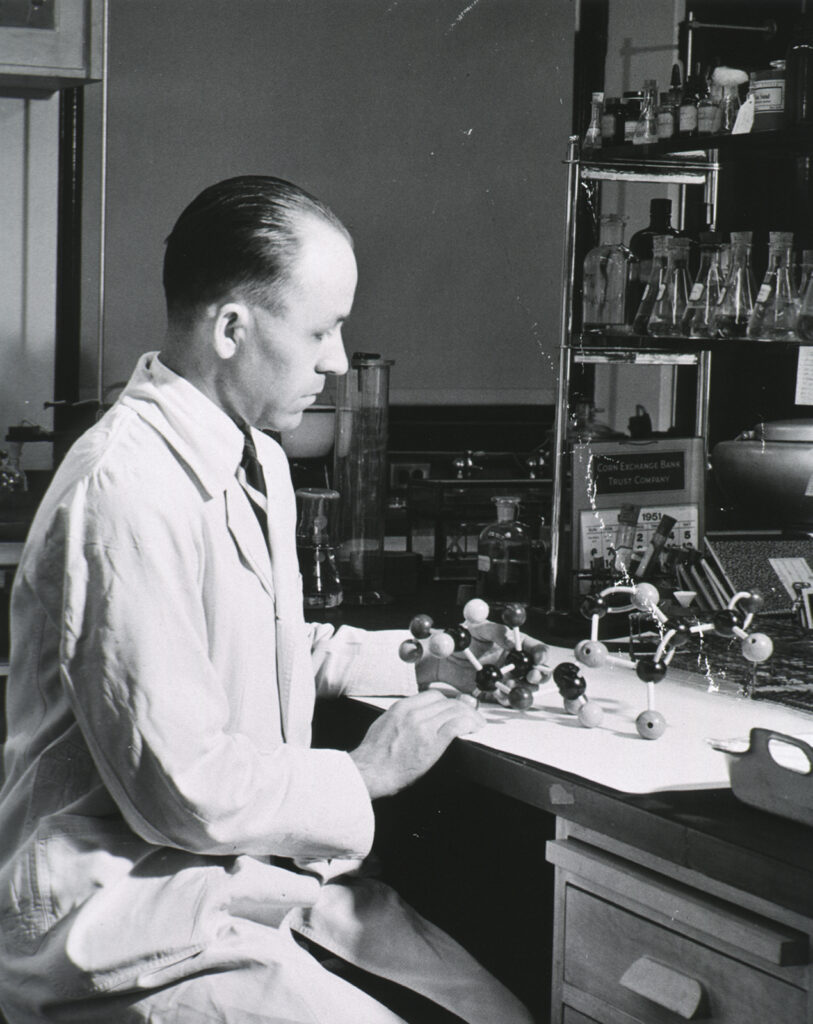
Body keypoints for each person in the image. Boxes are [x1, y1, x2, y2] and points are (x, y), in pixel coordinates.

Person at [0, 176, 535, 1024]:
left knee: (498, 1012)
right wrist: (366, 772)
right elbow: (184, 786)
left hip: (232, 887)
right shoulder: (123, 491)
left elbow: (269, 638)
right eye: (321, 329)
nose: (336, 359)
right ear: (231, 328)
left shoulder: (253, 456)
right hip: (118, 925)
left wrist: (436, 660)